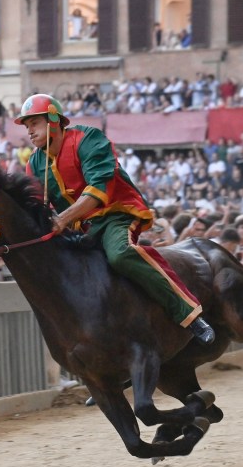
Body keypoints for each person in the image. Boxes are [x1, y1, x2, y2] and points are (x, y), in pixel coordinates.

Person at [14, 93, 214, 343]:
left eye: (34, 123)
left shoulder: (87, 139)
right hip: (80, 228)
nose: (29, 131)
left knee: (120, 254)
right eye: (26, 126)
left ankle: (190, 314)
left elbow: (98, 191)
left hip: (115, 214)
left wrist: (63, 219)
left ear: (53, 120)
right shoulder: (34, 164)